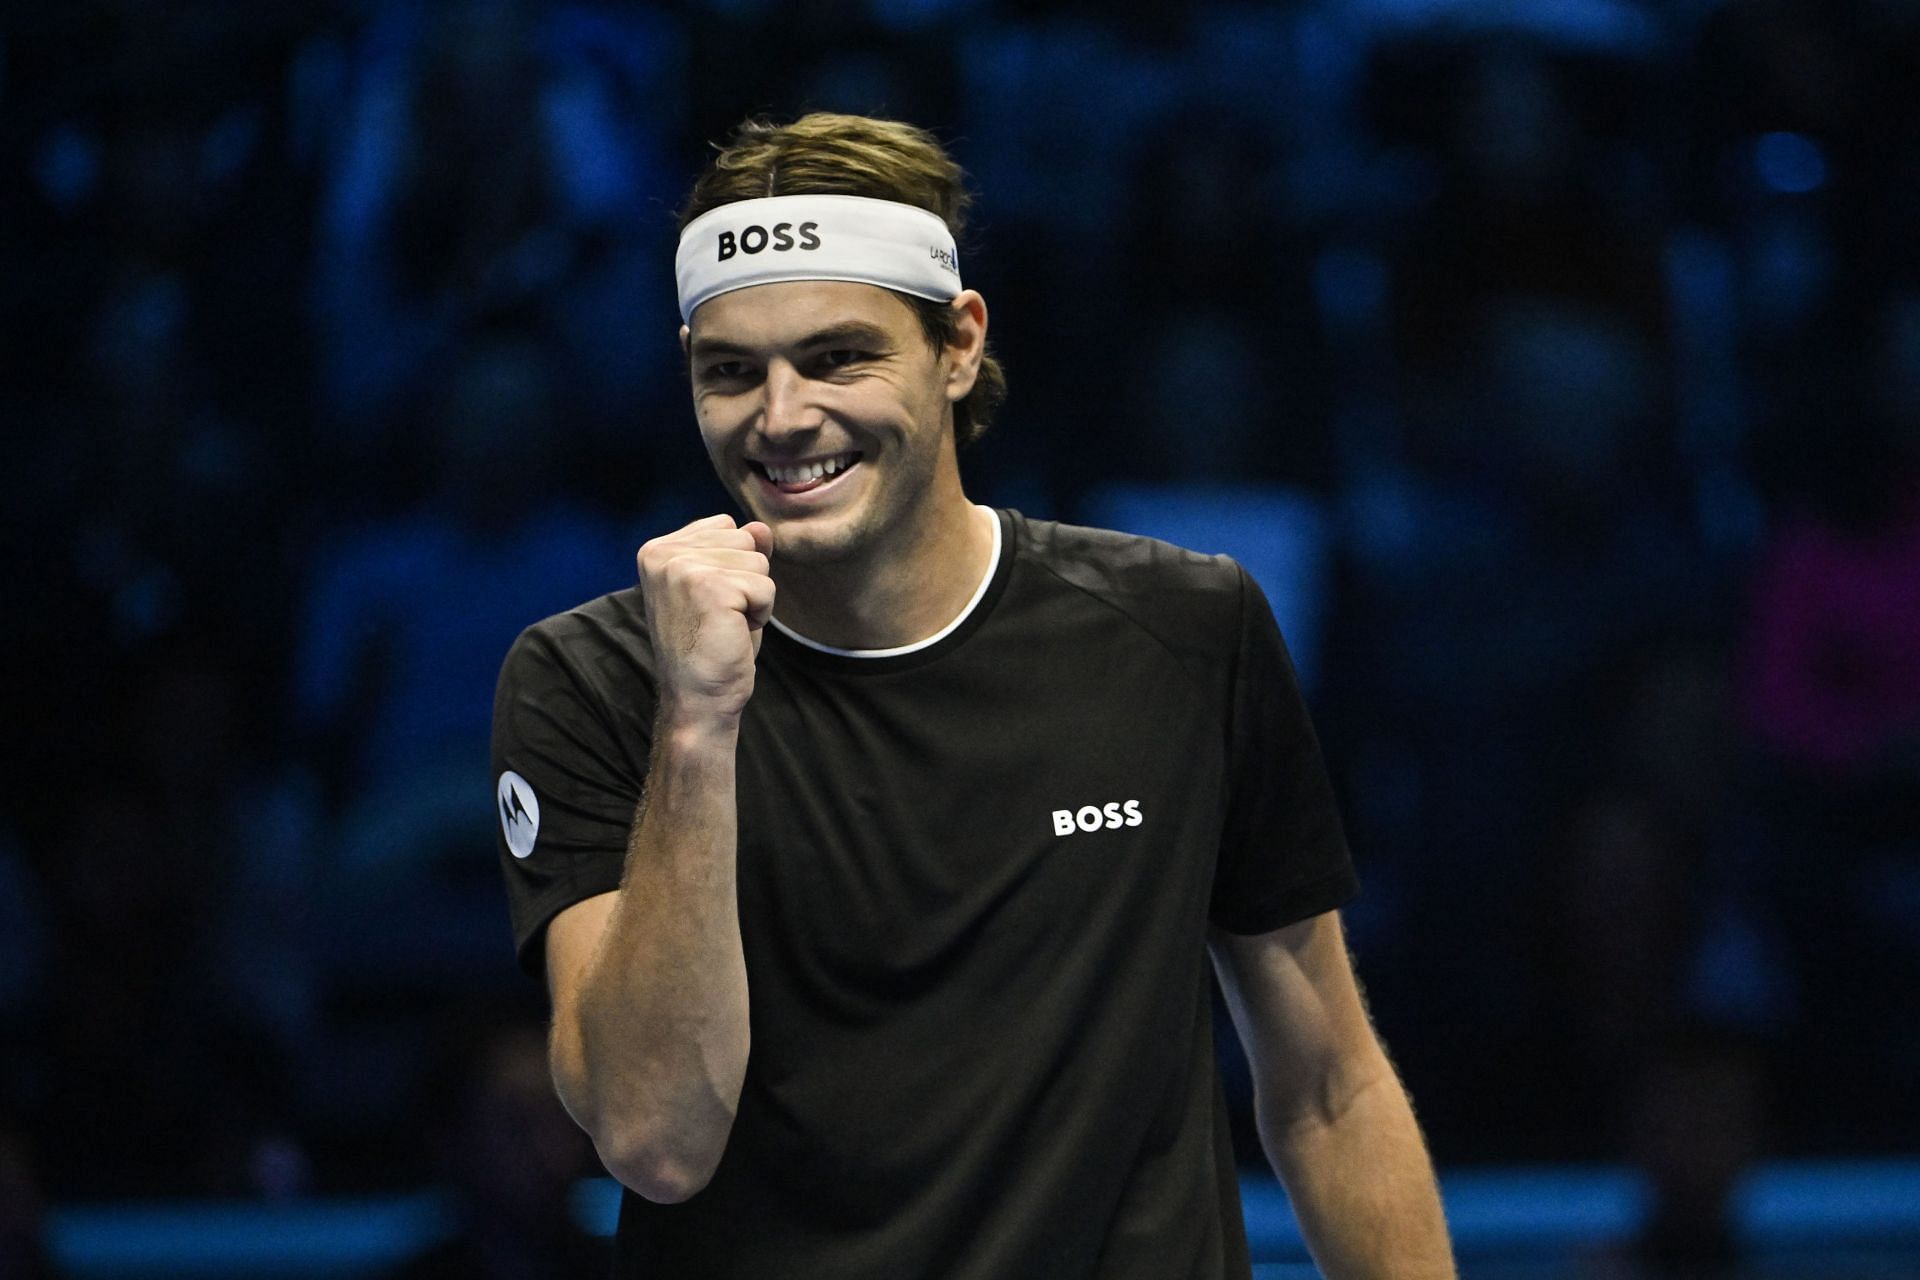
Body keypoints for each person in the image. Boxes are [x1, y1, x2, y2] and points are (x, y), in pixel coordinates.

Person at [491, 112, 1455, 1278]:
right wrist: (697, 723)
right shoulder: (592, 677)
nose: (783, 416)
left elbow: (1328, 1087)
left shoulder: (1185, 630)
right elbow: (656, 1137)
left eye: (839, 355)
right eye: (731, 371)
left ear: (957, 344)